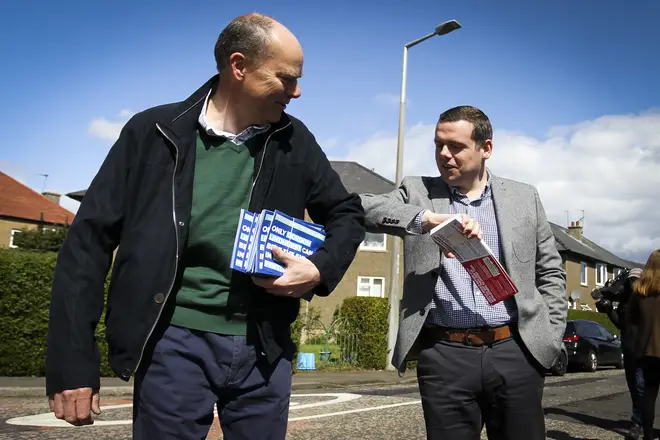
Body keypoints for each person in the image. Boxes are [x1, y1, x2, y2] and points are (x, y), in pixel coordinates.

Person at [45, 13, 365, 440]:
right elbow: (87, 245)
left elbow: (347, 213)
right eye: (286, 78)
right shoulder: (151, 132)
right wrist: (71, 360)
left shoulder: (295, 140)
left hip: (264, 350)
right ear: (239, 66)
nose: (297, 91)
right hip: (172, 345)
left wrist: (320, 267)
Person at [360, 105, 567, 440]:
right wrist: (424, 219)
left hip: (515, 350)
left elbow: (551, 271)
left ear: (486, 148)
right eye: (438, 145)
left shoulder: (524, 197)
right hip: (445, 356)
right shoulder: (417, 191)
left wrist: (549, 336)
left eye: (455, 146)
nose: (444, 155)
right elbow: (362, 207)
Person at [604, 268, 644, 440]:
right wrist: (608, 311)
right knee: (634, 387)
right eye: (630, 280)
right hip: (628, 350)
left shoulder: (645, 301)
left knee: (641, 385)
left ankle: (638, 422)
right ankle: (639, 420)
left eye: (635, 280)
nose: (632, 283)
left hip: (643, 351)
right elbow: (621, 324)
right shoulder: (624, 303)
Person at [628, 250, 660, 440]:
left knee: (649, 394)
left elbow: (630, 320)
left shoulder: (639, 292)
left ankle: (648, 435)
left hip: (646, 350)